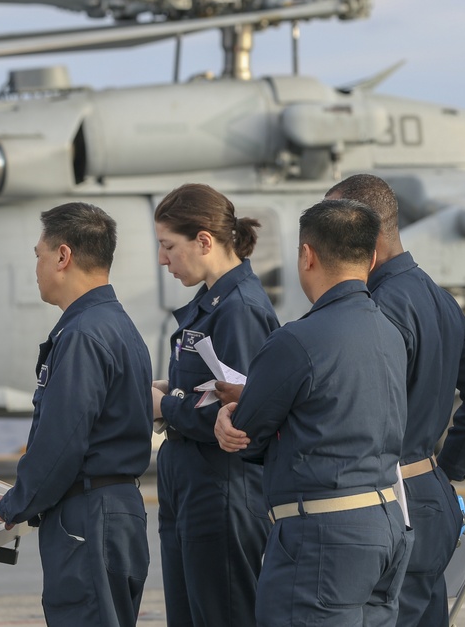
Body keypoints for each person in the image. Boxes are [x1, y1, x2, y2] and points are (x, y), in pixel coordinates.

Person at [215, 199, 412, 627]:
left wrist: (229, 414)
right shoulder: (390, 332)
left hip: (323, 537)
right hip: (387, 523)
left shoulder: (296, 340)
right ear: (372, 257)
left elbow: (248, 434)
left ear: (307, 255)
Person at [324, 174, 465, 627]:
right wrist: (446, 472)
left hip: (390, 500)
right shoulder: (435, 295)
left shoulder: (375, 306)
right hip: (428, 493)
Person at [0, 202, 153, 627]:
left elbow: (61, 440)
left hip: (88, 516)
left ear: (63, 256)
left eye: (38, 255)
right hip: (114, 512)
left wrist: (13, 504)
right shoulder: (117, 325)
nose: (36, 267)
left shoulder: (83, 334)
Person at [150, 183, 279, 626]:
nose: (163, 259)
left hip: (221, 485)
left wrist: (165, 407)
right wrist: (173, 391)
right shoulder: (213, 303)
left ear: (204, 241)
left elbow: (244, 417)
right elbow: (212, 386)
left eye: (169, 246)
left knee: (223, 614)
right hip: (191, 480)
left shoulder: (238, 309)